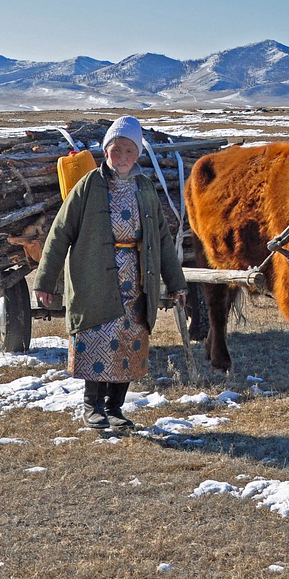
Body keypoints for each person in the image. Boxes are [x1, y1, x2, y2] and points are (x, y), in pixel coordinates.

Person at [33, 116, 187, 430]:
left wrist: (175, 281)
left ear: (138, 154)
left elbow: (160, 237)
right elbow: (60, 231)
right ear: (107, 152)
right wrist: (45, 280)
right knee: (96, 336)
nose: (123, 157)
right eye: (117, 150)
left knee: (131, 340)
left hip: (137, 275)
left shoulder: (144, 187)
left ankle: (115, 409)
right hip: (94, 276)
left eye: (130, 150)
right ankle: (93, 408)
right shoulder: (88, 185)